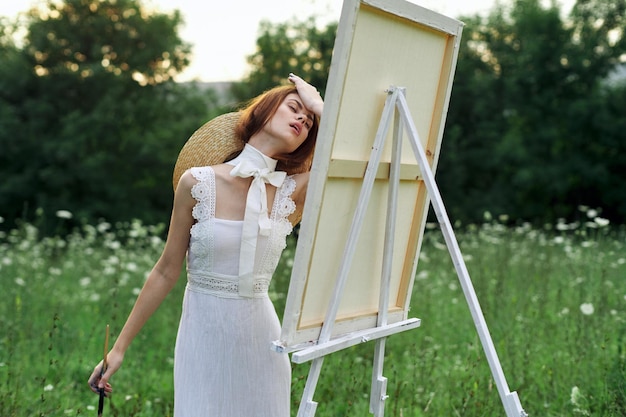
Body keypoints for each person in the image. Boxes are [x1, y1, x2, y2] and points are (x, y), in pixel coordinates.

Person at [88, 73, 324, 417]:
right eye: (294, 108)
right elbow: (166, 271)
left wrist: (319, 105)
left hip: (262, 342)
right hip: (203, 337)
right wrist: (119, 349)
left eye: (310, 121)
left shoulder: (294, 189)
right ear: (262, 112)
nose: (303, 118)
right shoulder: (197, 182)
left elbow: (360, 160)